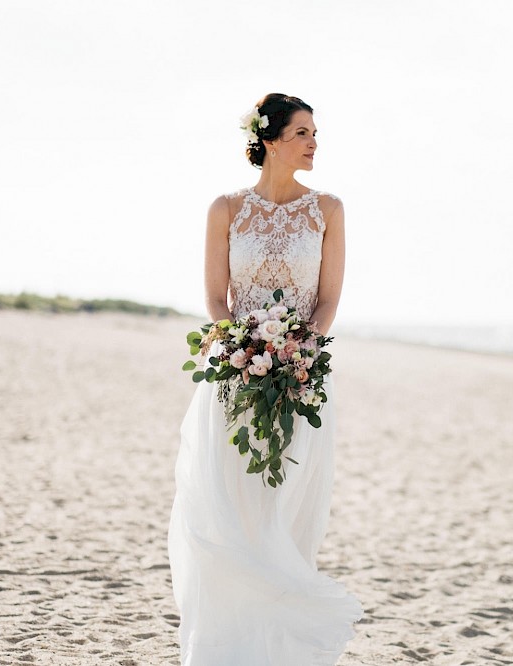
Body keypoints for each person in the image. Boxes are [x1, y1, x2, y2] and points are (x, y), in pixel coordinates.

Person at [167, 93, 362, 665]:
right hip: (232, 380)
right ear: (270, 139)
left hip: (298, 383)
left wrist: (297, 349)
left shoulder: (328, 210)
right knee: (226, 512)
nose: (313, 142)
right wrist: (245, 347)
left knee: (282, 511)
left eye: (315, 132)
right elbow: (214, 297)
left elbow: (327, 301)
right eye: (303, 132)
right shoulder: (225, 209)